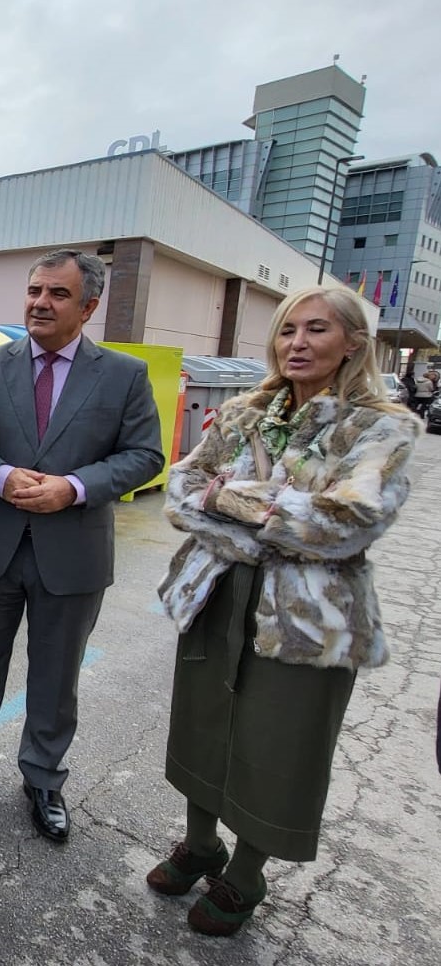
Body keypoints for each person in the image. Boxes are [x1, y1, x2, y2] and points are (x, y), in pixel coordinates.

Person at [149, 284, 418, 936]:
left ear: (353, 343)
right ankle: (199, 844)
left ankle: (244, 874)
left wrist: (233, 502)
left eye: (317, 330)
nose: (297, 343)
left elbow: (348, 523)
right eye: (289, 330)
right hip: (218, 594)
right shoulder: (247, 411)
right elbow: (182, 492)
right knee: (202, 725)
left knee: (278, 748)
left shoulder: (382, 427)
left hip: (308, 617)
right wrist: (267, 514)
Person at [0, 249, 163, 843]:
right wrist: (0, 477)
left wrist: (75, 487)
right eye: (34, 290)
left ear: (88, 306)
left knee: (57, 675)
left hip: (74, 549)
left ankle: (43, 775)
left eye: (57, 294)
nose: (40, 302)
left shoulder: (123, 375)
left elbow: (145, 456)